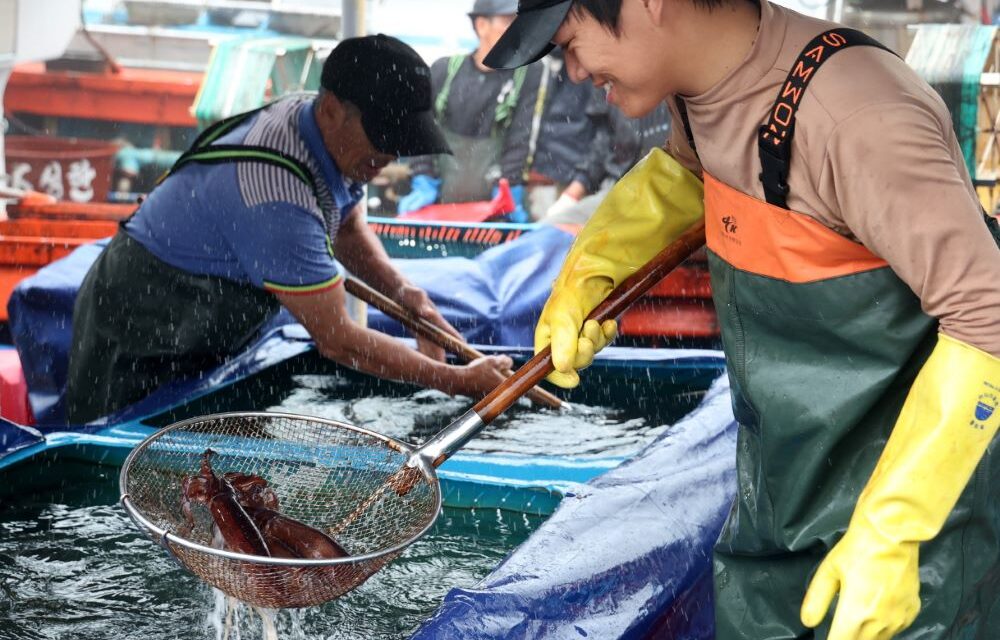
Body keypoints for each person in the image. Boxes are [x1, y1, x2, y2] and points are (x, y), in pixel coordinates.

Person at [486, 1, 1000, 639]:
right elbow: (690, 176)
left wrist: (894, 532)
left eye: (570, 42)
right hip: (778, 511)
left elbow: (988, 316)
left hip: (913, 543)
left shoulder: (860, 116)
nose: (572, 71)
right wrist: (594, 269)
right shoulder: (696, 96)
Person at [66, 34, 512, 425]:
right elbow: (337, 339)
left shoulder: (326, 135)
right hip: (140, 321)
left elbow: (347, 228)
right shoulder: (275, 194)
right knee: (119, 450)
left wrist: (405, 296)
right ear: (333, 109)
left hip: (204, 318)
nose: (390, 153)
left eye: (402, 139)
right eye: (383, 135)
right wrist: (456, 379)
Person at [397, 0, 543, 222]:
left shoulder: (527, 75)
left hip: (494, 207)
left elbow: (520, 140)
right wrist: (423, 180)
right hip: (439, 201)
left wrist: (508, 186)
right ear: (482, 25)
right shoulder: (444, 70)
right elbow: (421, 128)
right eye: (507, 22)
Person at [542, 89, 670, 224]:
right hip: (615, 187)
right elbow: (604, 140)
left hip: (665, 190)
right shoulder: (605, 92)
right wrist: (574, 191)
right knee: (553, 225)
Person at [523, 46, 597, 220]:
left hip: (569, 179)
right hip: (538, 176)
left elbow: (603, 132)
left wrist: (578, 186)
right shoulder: (542, 64)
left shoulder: (587, 69)